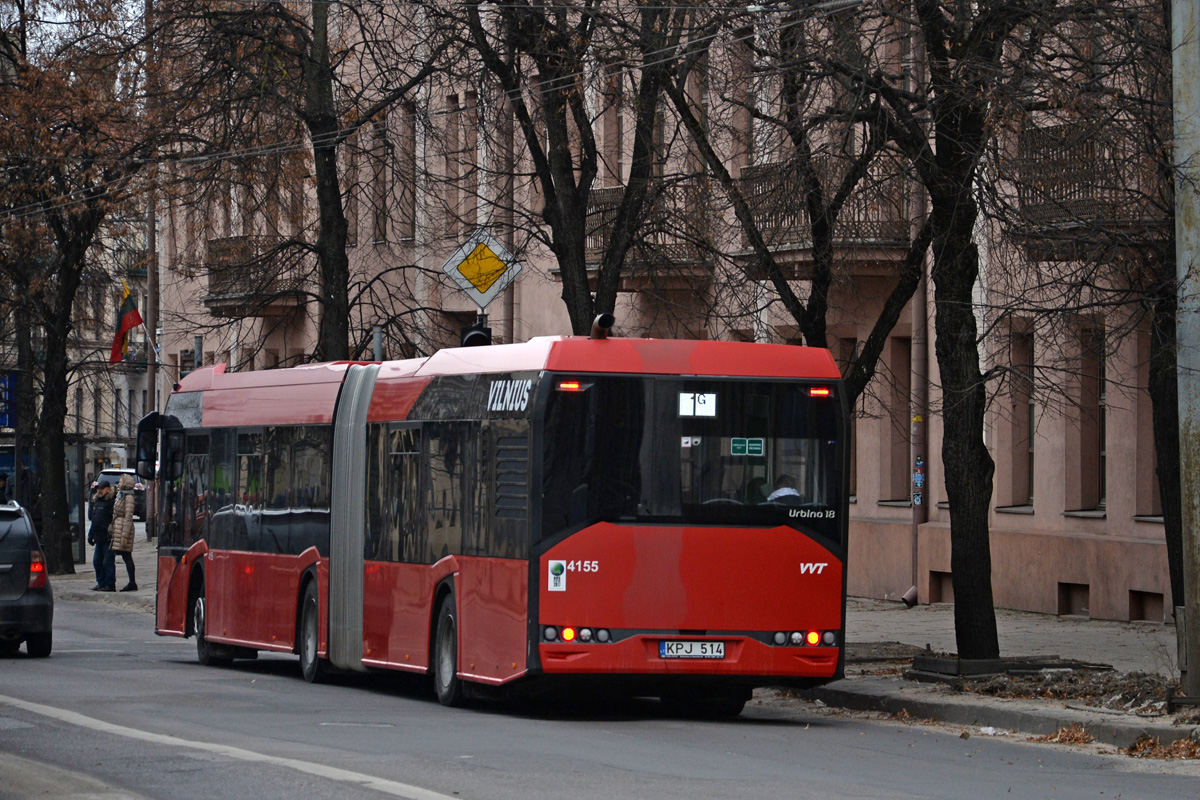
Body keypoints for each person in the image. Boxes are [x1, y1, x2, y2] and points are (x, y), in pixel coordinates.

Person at [88, 478, 117, 592]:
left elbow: (115, 519)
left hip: (108, 537)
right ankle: (101, 583)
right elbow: (94, 520)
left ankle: (110, 584)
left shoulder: (111, 502)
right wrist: (90, 535)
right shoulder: (97, 501)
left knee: (107, 562)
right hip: (98, 537)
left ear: (108, 489)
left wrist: (111, 533)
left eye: (102, 489)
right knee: (97, 562)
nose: (99, 491)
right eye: (98, 488)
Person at [110, 474, 138, 592]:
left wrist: (124, 536)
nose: (119, 482)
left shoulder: (128, 497)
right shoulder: (121, 494)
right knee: (121, 555)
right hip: (118, 528)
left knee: (126, 556)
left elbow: (128, 517)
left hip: (123, 529)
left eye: (121, 480)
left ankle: (132, 582)